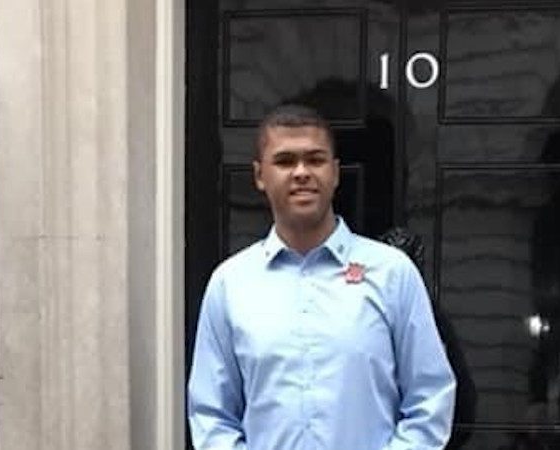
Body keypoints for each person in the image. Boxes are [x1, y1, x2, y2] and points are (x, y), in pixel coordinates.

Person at [187, 104, 457, 450]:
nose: (301, 172)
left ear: (335, 172)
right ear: (259, 175)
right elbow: (212, 415)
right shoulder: (230, 284)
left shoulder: (392, 274)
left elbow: (430, 398)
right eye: (284, 161)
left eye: (315, 160)